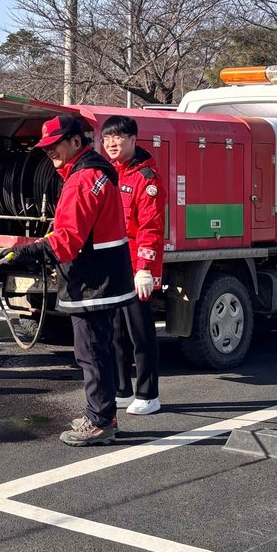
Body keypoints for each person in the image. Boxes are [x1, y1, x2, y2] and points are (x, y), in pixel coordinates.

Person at [14, 115, 135, 447]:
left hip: (91, 281)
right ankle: (103, 415)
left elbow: (68, 240)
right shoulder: (96, 173)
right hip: (103, 277)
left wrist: (31, 250)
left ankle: (99, 422)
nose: (50, 151)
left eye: (55, 145)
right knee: (98, 350)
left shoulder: (82, 179)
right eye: (46, 147)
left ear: (76, 141)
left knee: (91, 353)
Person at [101, 115, 165, 416]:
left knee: (141, 332)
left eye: (118, 137)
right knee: (115, 331)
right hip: (114, 262)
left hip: (137, 266)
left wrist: (145, 268)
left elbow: (152, 226)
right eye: (107, 138)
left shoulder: (146, 177)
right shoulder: (110, 173)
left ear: (132, 140)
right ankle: (122, 389)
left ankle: (149, 394)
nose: (111, 143)